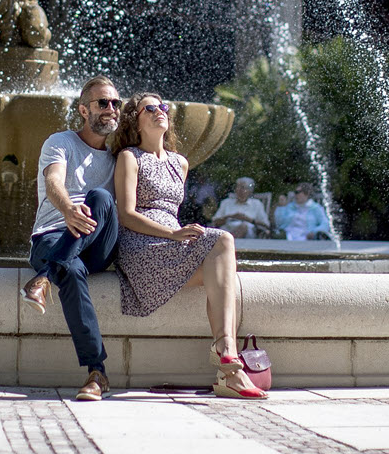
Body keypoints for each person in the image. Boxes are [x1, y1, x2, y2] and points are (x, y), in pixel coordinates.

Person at [112, 93, 266, 400]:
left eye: (163, 107)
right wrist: (172, 234)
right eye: (150, 108)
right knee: (223, 241)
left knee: (221, 270)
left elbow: (172, 211)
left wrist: (176, 235)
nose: (160, 112)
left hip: (170, 242)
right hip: (141, 246)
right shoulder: (129, 157)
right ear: (136, 120)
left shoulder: (179, 163)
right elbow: (126, 215)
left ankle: (229, 367)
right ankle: (226, 353)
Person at [24, 75, 122, 401]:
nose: (111, 109)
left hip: (98, 245)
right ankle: (97, 372)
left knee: (101, 198)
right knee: (72, 269)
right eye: (102, 103)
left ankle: (45, 277)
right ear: (83, 109)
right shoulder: (60, 142)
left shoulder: (120, 157)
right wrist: (68, 209)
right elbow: (53, 181)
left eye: (115, 103)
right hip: (51, 237)